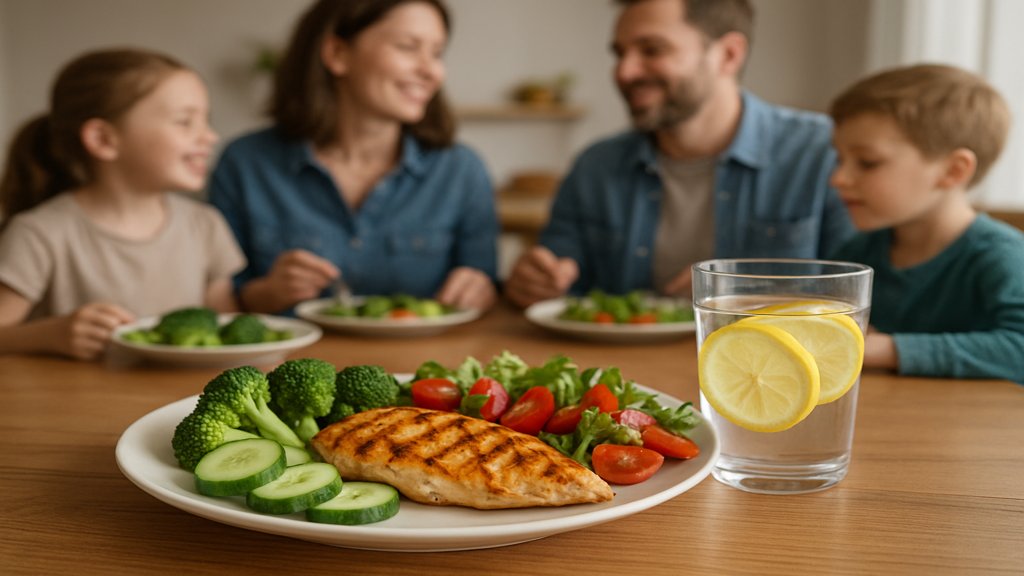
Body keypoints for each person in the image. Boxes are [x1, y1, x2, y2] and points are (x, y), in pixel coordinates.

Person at [504, 0, 854, 307]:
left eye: (652, 50)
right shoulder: (595, 166)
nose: (624, 71)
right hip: (624, 377)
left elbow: (867, 298)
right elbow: (556, 289)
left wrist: (738, 292)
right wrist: (533, 283)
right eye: (619, 53)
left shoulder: (823, 152)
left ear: (728, 54)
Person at [209, 0, 498, 314]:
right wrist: (267, 292)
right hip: (290, 364)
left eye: (437, 53)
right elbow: (225, 300)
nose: (431, 71)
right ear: (337, 54)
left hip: (420, 363)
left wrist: (479, 289)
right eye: (407, 47)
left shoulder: (461, 169)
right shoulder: (245, 163)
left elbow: (483, 283)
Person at [0, 48, 245, 360]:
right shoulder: (38, 234)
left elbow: (229, 332)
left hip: (181, 406)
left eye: (206, 121)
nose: (209, 136)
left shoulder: (206, 224)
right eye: (185, 121)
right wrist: (51, 334)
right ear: (103, 139)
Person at [829, 64, 1024, 383]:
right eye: (839, 159)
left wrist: (883, 349)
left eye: (867, 162)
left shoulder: (1002, 256)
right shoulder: (858, 252)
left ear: (953, 171)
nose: (837, 178)